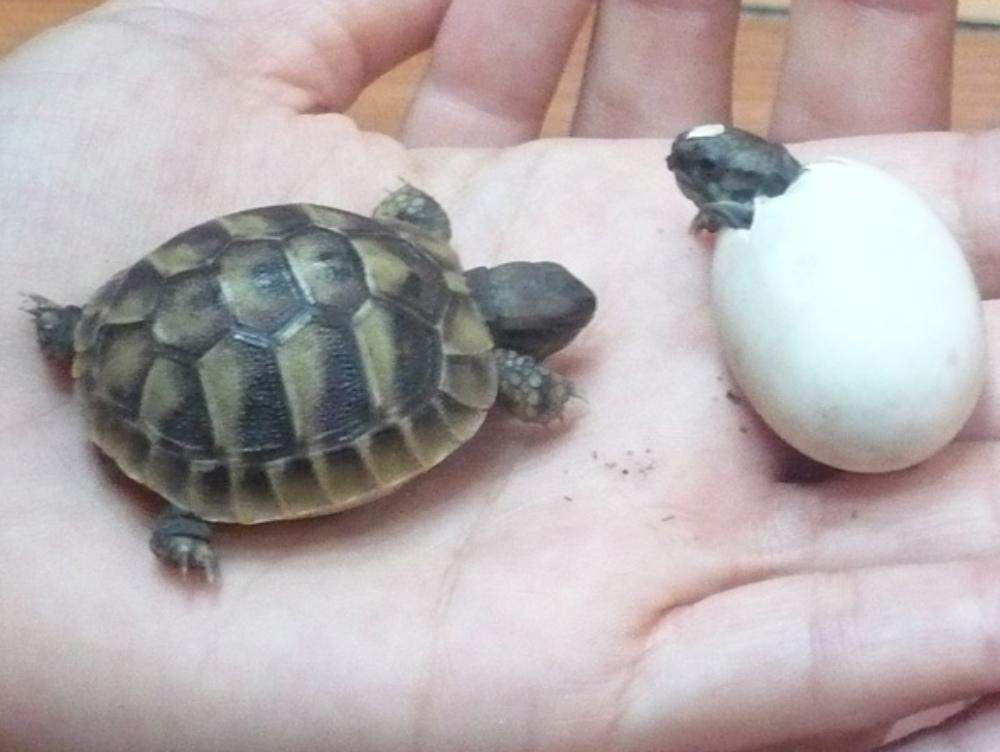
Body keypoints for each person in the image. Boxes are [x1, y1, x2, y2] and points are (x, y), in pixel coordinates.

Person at [1, 1, 997, 750]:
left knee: (275, 316)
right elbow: (503, 382)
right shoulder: (481, 374)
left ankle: (87, 330)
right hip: (197, 413)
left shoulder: (411, 247)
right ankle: (183, 499)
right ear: (523, 337)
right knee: (272, 363)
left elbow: (376, 234)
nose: (552, 351)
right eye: (546, 347)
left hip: (146, 308)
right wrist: (544, 396)